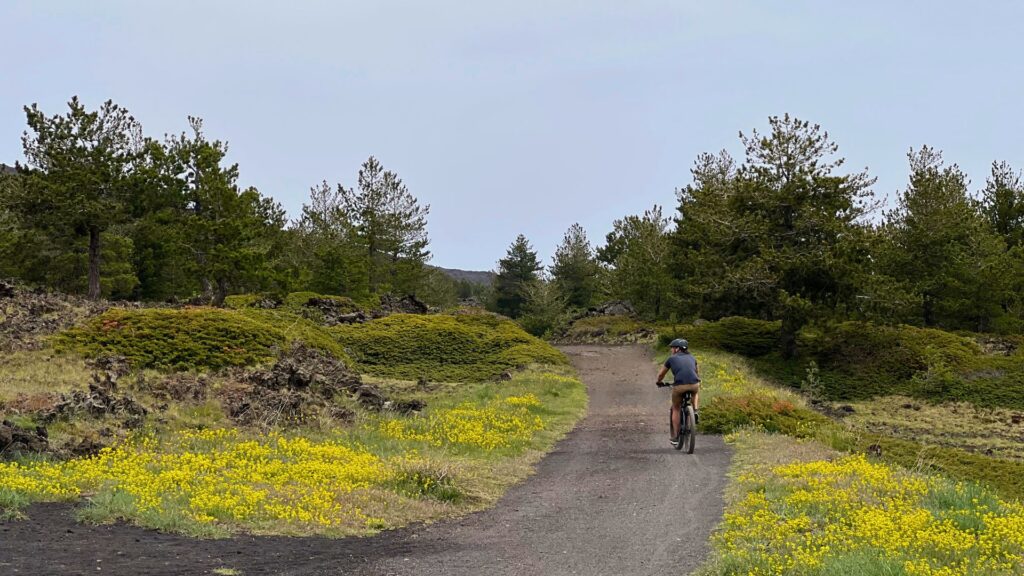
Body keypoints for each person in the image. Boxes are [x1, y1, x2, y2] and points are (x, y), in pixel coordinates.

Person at [656, 338, 700, 446]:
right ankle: (695, 411)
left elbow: (661, 374)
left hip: (680, 386)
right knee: (695, 392)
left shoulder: (671, 359)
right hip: (694, 384)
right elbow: (696, 372)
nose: (671, 350)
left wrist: (659, 382)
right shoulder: (692, 358)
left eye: (672, 348)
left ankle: (675, 437)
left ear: (677, 349)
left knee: (676, 407)